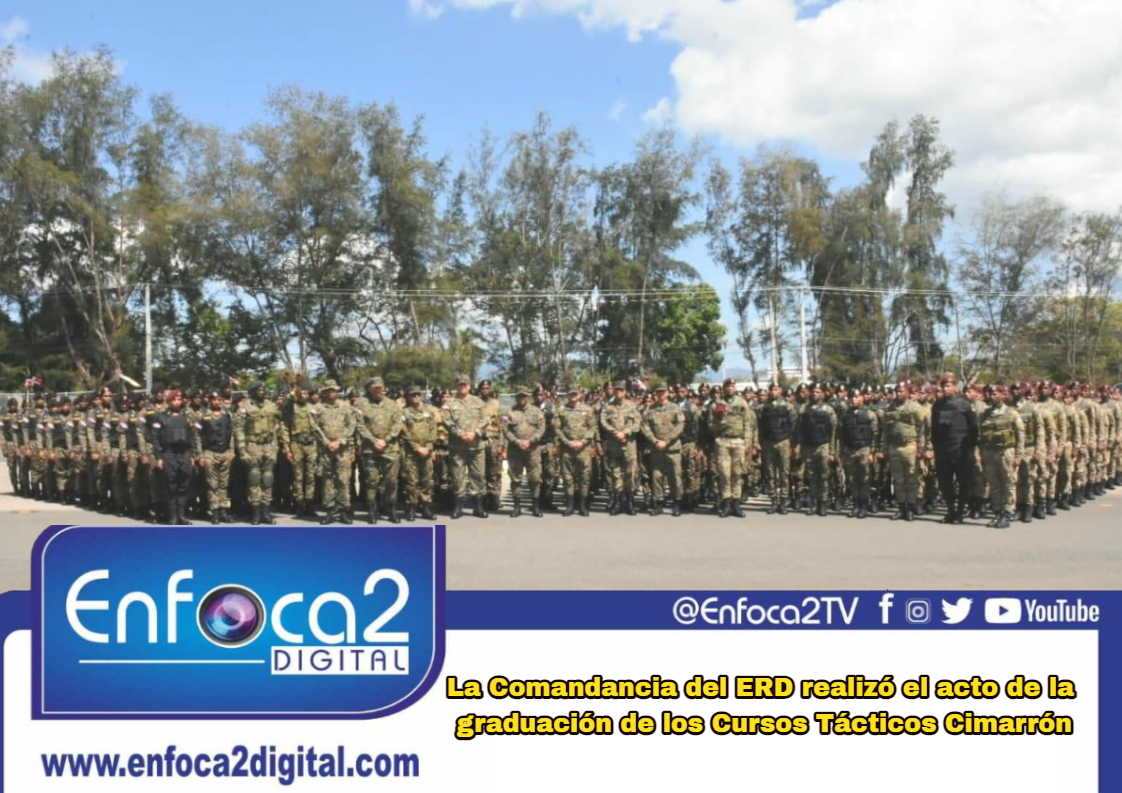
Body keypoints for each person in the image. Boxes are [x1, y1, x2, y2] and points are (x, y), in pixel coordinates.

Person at [930, 373, 978, 524]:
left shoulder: (964, 404)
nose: (944, 389)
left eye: (948, 386)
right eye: (943, 386)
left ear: (955, 387)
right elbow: (934, 428)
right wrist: (935, 448)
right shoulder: (937, 405)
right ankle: (951, 511)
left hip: (960, 449)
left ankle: (960, 512)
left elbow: (974, 427)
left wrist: (970, 448)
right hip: (943, 449)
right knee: (945, 482)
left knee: (963, 482)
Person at [356, 376, 404, 523]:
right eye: (375, 388)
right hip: (370, 450)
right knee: (371, 481)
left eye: (380, 388)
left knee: (391, 481)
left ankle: (392, 510)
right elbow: (359, 425)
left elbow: (398, 424)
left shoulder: (392, 404)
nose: (378, 391)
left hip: (390, 449)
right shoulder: (361, 404)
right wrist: (374, 440)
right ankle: (372, 511)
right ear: (370, 389)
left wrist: (386, 439)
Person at [978, 383, 1025, 529]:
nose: (991, 396)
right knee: (994, 485)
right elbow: (981, 435)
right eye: (989, 394)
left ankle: (1007, 512)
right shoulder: (985, 414)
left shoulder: (1011, 413)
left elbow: (1020, 435)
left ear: (1002, 395)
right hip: (989, 452)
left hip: (1006, 452)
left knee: (1008, 483)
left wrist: (1018, 455)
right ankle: (997, 512)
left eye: (994, 394)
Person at [880, 383, 929, 522]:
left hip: (910, 446)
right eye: (897, 391)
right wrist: (884, 448)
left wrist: (922, 448)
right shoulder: (890, 407)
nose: (898, 393)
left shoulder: (915, 407)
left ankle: (911, 507)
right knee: (898, 479)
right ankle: (901, 507)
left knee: (912, 478)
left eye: (901, 391)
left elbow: (923, 429)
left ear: (907, 392)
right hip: (894, 446)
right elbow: (886, 430)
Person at [234, 381, 281, 525]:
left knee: (268, 479)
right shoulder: (244, 407)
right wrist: (242, 451)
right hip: (253, 446)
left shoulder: (272, 406)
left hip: (269, 446)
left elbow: (276, 426)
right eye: (259, 389)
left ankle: (266, 512)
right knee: (254, 479)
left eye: (263, 389)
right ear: (253, 391)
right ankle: (255, 514)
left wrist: (275, 447)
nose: (262, 391)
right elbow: (239, 430)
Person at [443, 374, 490, 519]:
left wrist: (475, 433)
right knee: (458, 477)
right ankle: (458, 507)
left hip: (476, 446)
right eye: (460, 384)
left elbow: (485, 419)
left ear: (469, 386)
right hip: (458, 447)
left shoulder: (478, 401)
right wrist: (460, 433)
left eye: (465, 384)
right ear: (456, 386)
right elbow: (446, 421)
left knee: (478, 476)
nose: (462, 387)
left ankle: (478, 507)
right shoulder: (449, 403)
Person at [312, 380, 357, 524]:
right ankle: (330, 510)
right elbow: (314, 427)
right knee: (328, 480)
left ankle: (344, 510)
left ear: (337, 392)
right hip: (325, 450)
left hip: (342, 450)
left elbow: (352, 425)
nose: (331, 392)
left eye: (333, 390)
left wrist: (340, 441)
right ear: (324, 392)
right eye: (328, 390)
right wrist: (327, 442)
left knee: (343, 480)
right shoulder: (317, 408)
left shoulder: (346, 406)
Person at [149, 390, 196, 526]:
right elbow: (155, 438)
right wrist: (159, 457)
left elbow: (193, 437)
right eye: (174, 399)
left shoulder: (187, 416)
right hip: (169, 453)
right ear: (169, 401)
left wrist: (192, 455)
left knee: (184, 485)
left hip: (184, 453)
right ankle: (173, 516)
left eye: (179, 399)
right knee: (171, 485)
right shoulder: (160, 417)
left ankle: (182, 515)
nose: (177, 402)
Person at [503, 386, 547, 518]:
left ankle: (535, 506)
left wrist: (531, 441)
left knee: (535, 478)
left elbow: (541, 428)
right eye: (519, 396)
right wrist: (517, 441)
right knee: (515, 478)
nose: (521, 398)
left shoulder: (537, 411)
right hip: (515, 450)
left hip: (532, 450)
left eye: (524, 396)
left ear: (528, 397)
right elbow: (505, 429)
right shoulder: (509, 412)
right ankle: (517, 507)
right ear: (516, 397)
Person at [554, 386, 598, 517]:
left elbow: (592, 427)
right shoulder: (561, 410)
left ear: (579, 395)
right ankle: (570, 505)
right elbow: (557, 428)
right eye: (570, 394)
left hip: (583, 448)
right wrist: (567, 442)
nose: (573, 396)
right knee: (567, 477)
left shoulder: (587, 409)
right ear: (567, 395)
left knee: (584, 477)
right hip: (567, 448)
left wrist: (583, 442)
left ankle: (583, 505)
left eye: (575, 394)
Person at [400, 384, 442, 520]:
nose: (416, 397)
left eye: (418, 394)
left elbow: (433, 429)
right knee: (411, 481)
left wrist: (428, 447)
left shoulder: (429, 411)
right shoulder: (404, 412)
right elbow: (404, 432)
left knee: (426, 480)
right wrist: (417, 447)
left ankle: (426, 507)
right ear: (408, 397)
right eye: (413, 394)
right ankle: (411, 507)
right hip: (410, 452)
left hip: (427, 451)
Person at [600, 381, 641, 516]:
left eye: (621, 390)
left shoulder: (632, 406)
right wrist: (615, 432)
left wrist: (625, 433)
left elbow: (637, 423)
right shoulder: (608, 406)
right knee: (616, 473)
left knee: (630, 473)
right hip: (614, 445)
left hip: (629, 444)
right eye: (616, 390)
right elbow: (603, 422)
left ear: (625, 392)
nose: (618, 392)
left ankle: (629, 502)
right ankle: (618, 502)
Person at [280, 382, 319, 519]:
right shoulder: (290, 408)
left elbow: (319, 428)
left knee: (310, 476)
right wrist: (287, 449)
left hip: (311, 444)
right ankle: (299, 504)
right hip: (296, 444)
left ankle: (309, 504)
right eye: (301, 393)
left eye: (305, 393)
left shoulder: (313, 408)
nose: (303, 395)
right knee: (297, 476)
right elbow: (284, 428)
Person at [196, 390, 235, 524]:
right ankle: (215, 512)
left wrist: (232, 451)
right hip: (210, 453)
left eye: (219, 399)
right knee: (212, 484)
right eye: (214, 400)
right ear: (210, 401)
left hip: (225, 452)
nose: (216, 402)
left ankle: (224, 510)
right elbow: (197, 436)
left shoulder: (227, 415)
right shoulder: (203, 416)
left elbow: (231, 434)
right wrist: (200, 455)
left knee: (224, 483)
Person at [758, 383, 797, 515]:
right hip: (768, 443)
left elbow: (794, 425)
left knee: (784, 473)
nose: (773, 392)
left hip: (783, 442)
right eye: (771, 390)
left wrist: (792, 444)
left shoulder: (788, 406)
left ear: (780, 391)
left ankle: (783, 501)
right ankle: (774, 501)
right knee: (770, 473)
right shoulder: (764, 407)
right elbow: (760, 427)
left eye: (775, 389)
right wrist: (759, 443)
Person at [799, 384, 837, 517]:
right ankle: (813, 503)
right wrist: (800, 448)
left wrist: (832, 451)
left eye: (818, 392)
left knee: (824, 476)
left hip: (823, 446)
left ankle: (823, 503)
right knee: (811, 476)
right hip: (809, 446)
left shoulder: (829, 410)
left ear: (823, 394)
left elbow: (833, 432)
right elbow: (801, 430)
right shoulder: (804, 409)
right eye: (814, 391)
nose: (815, 394)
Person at [840, 389, 878, 519]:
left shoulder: (870, 414)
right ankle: (855, 505)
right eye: (851, 397)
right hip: (850, 450)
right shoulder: (846, 415)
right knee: (852, 479)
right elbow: (842, 435)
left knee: (864, 478)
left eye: (856, 397)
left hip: (864, 449)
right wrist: (842, 453)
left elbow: (875, 434)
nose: (853, 399)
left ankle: (864, 506)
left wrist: (872, 452)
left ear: (862, 398)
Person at [478, 380, 505, 512]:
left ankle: (495, 498)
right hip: (479, 441)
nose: (485, 390)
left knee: (495, 472)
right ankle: (482, 499)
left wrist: (502, 444)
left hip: (494, 441)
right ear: (479, 389)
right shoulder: (475, 403)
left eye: (487, 388)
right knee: (480, 472)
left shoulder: (496, 404)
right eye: (483, 388)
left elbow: (502, 426)